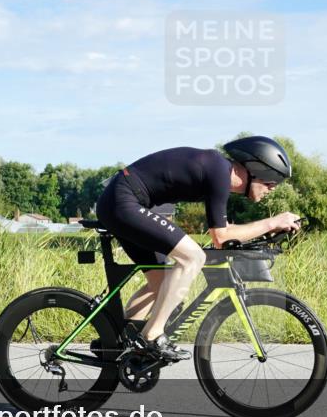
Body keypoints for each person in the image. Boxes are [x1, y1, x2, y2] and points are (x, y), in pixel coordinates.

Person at [95, 136, 300, 361]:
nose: (271, 190)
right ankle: (151, 337)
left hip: (124, 201)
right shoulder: (218, 171)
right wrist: (271, 223)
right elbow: (220, 237)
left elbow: (226, 230)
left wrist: (265, 231)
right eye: (271, 183)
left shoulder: (218, 172)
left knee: (161, 284)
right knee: (193, 257)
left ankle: (117, 344)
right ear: (255, 170)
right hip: (123, 201)